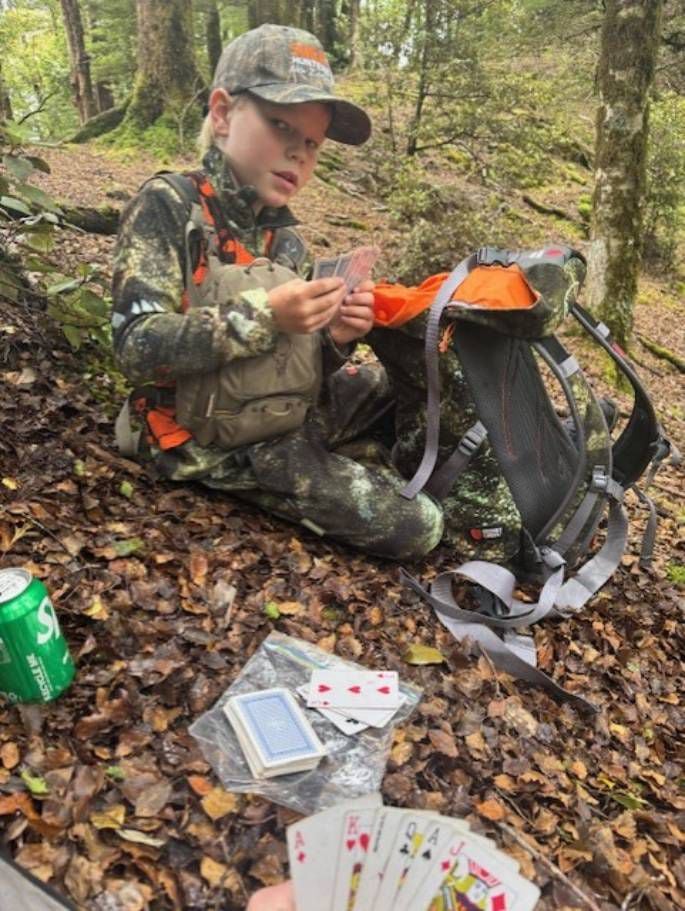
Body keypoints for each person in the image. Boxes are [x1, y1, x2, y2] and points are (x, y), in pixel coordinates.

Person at [111, 23, 443, 560]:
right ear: (222, 115)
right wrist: (265, 315)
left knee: (401, 388)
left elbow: (295, 365)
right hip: (202, 439)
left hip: (278, 411)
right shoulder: (169, 206)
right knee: (420, 526)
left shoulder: (284, 241)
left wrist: (333, 337)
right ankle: (334, 465)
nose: (298, 153)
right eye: (280, 125)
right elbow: (135, 348)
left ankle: (346, 459)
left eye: (311, 142)